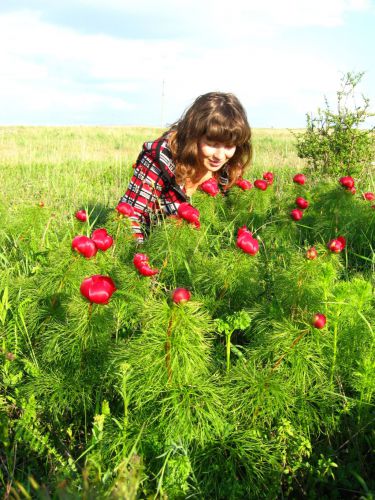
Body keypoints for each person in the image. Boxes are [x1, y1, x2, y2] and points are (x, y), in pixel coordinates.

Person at [119, 91, 252, 242]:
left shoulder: (229, 167)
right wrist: (142, 258)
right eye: (212, 144)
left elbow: (229, 220)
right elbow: (131, 217)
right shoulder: (161, 158)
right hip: (153, 243)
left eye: (229, 146)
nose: (220, 156)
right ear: (193, 137)